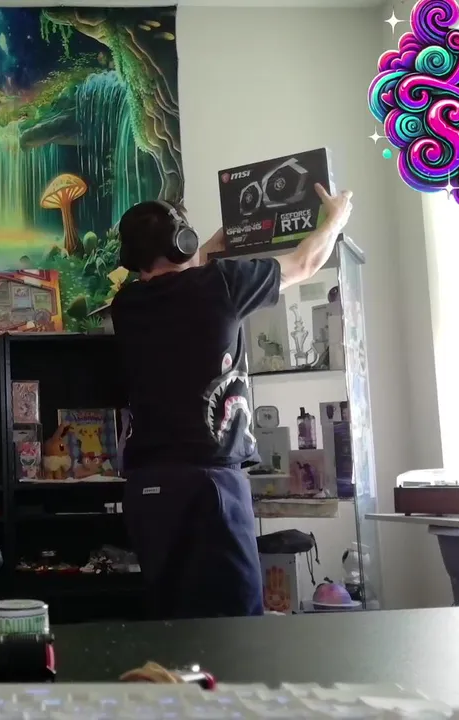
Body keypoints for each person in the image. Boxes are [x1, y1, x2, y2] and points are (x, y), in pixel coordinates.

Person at [110, 184, 354, 619]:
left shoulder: (126, 304)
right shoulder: (222, 283)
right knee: (235, 622)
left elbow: (184, 280)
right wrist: (335, 218)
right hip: (210, 484)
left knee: (172, 620)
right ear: (181, 242)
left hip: (147, 487)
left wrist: (218, 242)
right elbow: (305, 262)